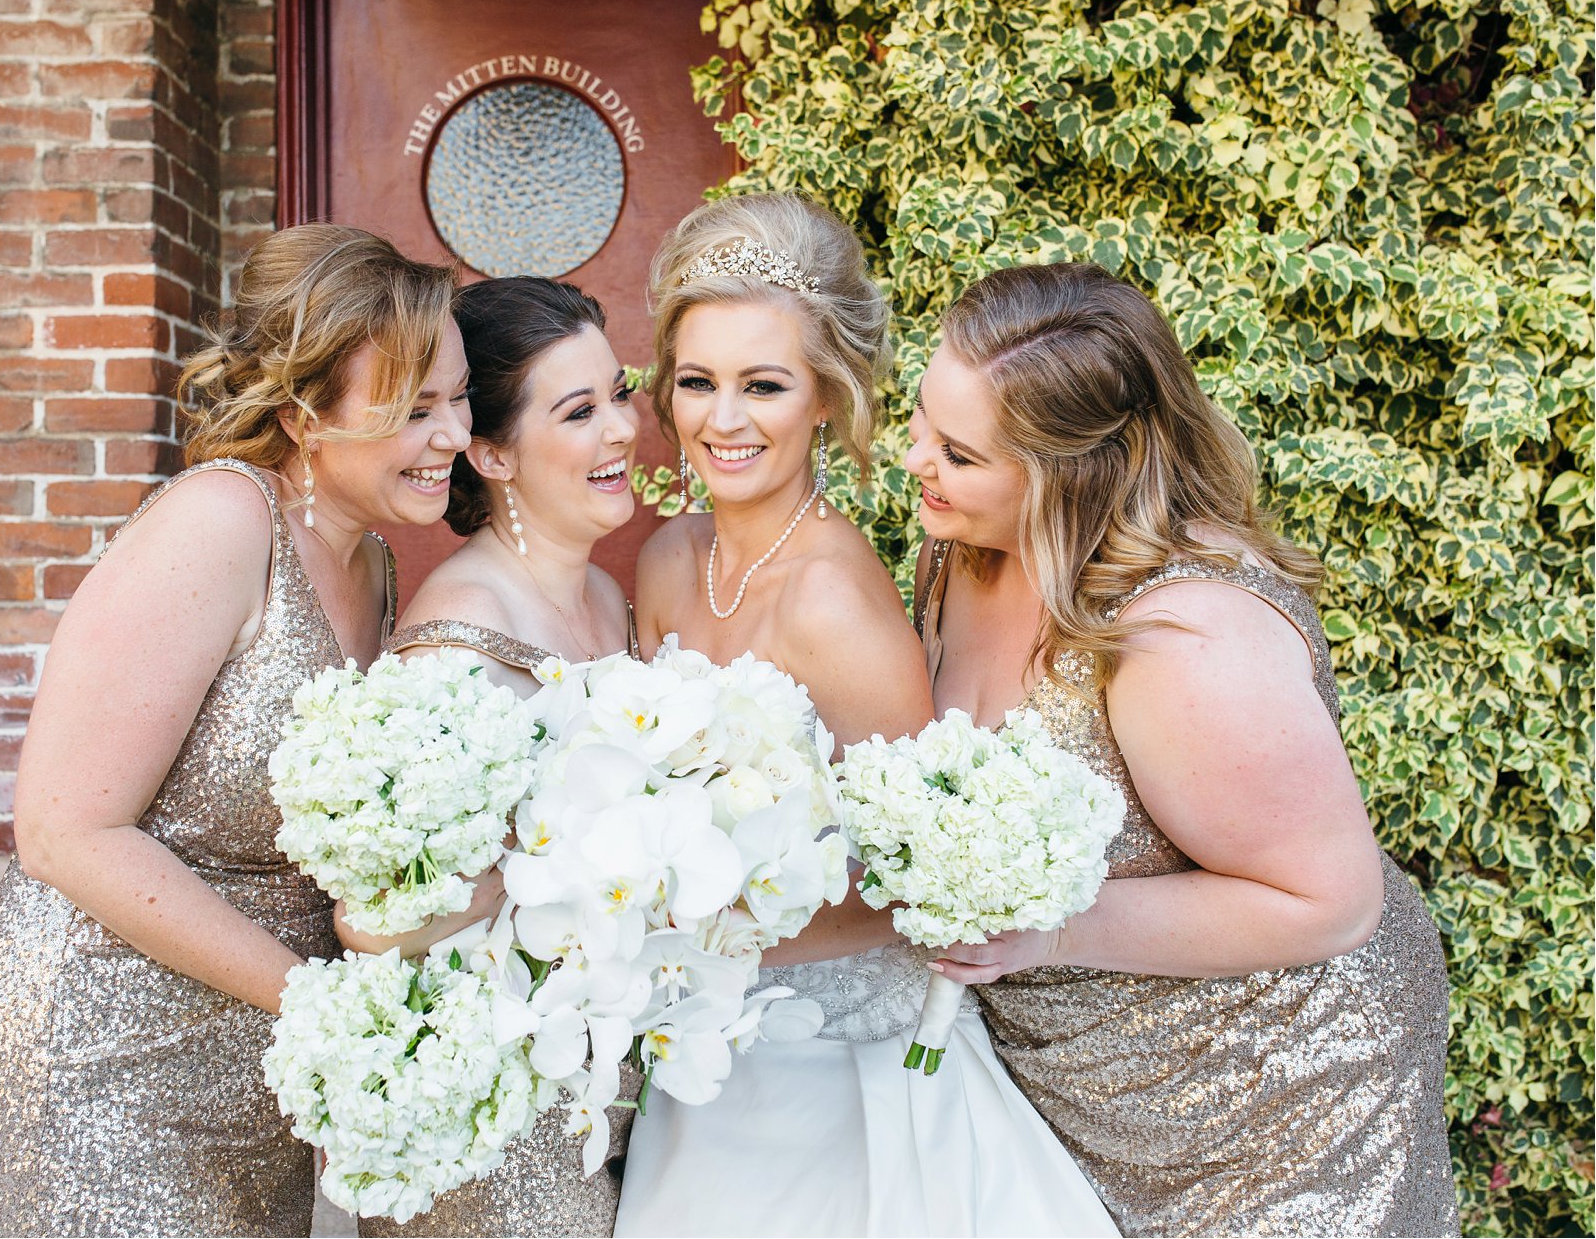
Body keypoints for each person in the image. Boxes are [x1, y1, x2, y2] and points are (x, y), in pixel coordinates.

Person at [0, 227, 471, 1238]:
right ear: (304, 411)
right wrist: (325, 1010)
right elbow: (63, 830)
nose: (451, 433)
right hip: (95, 1054)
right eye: (412, 408)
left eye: (456, 398)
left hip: (254, 1069)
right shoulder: (219, 524)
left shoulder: (376, 567)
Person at [910, 261, 1458, 1236]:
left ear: (1065, 471)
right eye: (922, 420)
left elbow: (1323, 902)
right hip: (1070, 1073)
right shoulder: (958, 545)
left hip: (1273, 1090)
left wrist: (1043, 932)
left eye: (955, 451)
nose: (915, 459)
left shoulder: (1183, 641)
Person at [615, 195, 1116, 1239]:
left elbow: (908, 887)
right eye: (698, 382)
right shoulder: (667, 559)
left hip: (833, 1064)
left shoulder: (836, 600)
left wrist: (685, 931)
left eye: (764, 385)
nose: (723, 419)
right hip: (702, 1050)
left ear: (824, 398)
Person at [351, 276, 642, 1237]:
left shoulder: (607, 596)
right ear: (491, 451)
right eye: (579, 410)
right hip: (503, 1118)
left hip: (609, 1072)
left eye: (620, 393)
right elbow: (377, 917)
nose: (621, 430)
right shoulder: (458, 633)